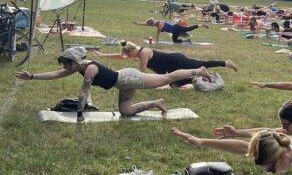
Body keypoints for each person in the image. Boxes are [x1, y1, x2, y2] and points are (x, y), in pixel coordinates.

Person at [14, 46, 212, 120]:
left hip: (130, 77)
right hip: (122, 83)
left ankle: (198, 70)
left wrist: (80, 115)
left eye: (67, 64)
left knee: (167, 78)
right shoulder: (78, 67)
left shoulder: (89, 68)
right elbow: (56, 74)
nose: (66, 68)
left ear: (74, 61)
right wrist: (31, 76)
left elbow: (83, 92)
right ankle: (156, 103)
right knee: (126, 111)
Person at [94, 40, 237, 86]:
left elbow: (141, 72)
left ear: (131, 52)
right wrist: (103, 55)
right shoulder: (136, 52)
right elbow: (120, 56)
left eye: (128, 55)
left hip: (176, 60)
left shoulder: (144, 53)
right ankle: (206, 77)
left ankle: (226, 63)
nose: (127, 57)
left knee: (201, 62)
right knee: (178, 84)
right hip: (170, 69)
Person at [137, 18, 206, 43]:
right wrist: (138, 23)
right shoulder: (155, 23)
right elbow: (147, 24)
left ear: (152, 23)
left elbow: (158, 33)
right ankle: (188, 40)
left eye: (151, 25)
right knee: (175, 41)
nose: (151, 26)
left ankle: (201, 25)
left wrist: (157, 41)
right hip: (174, 31)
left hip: (176, 28)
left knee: (189, 29)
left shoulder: (160, 24)